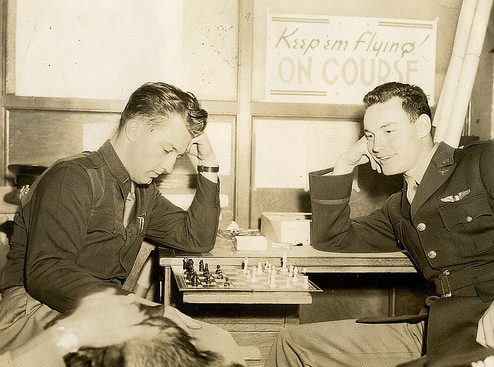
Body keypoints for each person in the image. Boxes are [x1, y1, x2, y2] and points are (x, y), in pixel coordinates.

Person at [0, 81, 245, 365]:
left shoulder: (142, 191)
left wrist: (209, 165)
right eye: (167, 149)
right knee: (175, 354)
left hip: (104, 311)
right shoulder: (73, 176)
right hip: (36, 312)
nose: (168, 166)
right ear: (134, 129)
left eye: (178, 156)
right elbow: (47, 273)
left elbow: (196, 237)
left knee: (219, 342)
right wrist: (143, 308)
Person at [264, 82, 494, 367]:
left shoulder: (480, 161)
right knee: (293, 343)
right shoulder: (398, 208)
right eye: (370, 135)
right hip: (439, 326)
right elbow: (332, 239)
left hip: (484, 328)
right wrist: (344, 166)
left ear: (423, 126)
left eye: (388, 131)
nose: (376, 146)